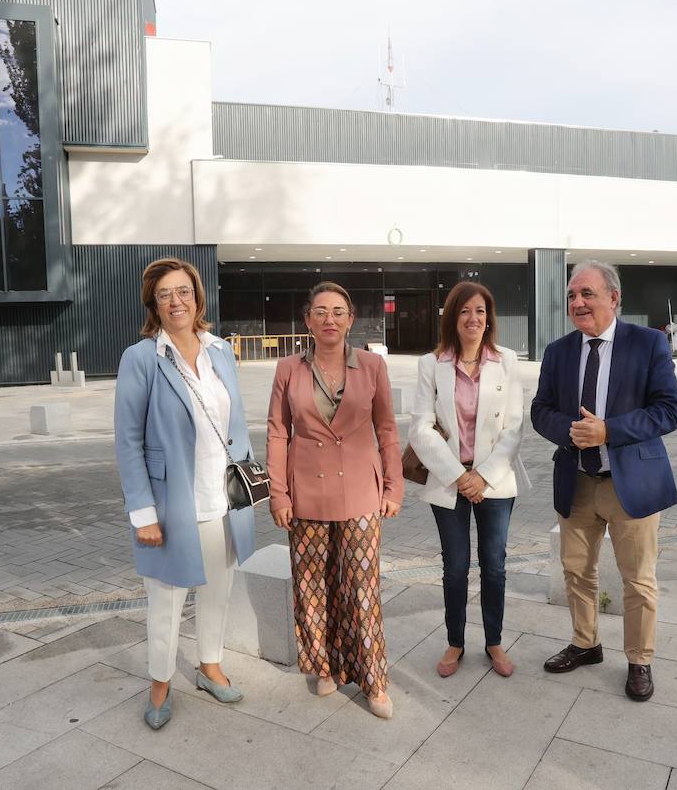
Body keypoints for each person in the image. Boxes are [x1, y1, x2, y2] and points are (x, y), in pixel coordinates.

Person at [114, 257, 258, 731]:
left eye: (183, 292)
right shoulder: (142, 358)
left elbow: (233, 423)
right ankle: (159, 683)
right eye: (164, 295)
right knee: (165, 602)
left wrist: (251, 482)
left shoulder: (220, 351)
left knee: (219, 590)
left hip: (223, 499)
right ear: (153, 305)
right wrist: (143, 515)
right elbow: (129, 441)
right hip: (174, 505)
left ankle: (209, 665)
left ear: (197, 296)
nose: (176, 301)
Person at [530, 259, 677, 702]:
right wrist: (569, 432)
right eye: (572, 296)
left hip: (630, 482)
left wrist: (609, 430)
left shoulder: (649, 344)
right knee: (576, 570)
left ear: (614, 298)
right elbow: (541, 410)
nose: (577, 303)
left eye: (587, 294)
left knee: (637, 579)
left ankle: (639, 660)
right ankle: (585, 643)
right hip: (576, 481)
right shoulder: (558, 351)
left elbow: (668, 410)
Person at [266, 282, 403, 719]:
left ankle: (373, 679)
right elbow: (277, 432)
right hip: (305, 493)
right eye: (321, 311)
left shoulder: (372, 366)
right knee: (312, 586)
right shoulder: (288, 368)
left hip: (362, 491)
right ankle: (323, 665)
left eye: (338, 311)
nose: (329, 319)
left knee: (362, 588)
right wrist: (278, 493)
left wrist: (393, 487)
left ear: (351, 320)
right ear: (307, 319)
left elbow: (386, 429)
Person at [409, 282, 526, 679]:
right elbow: (421, 428)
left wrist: (483, 476)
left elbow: (514, 428)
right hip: (450, 480)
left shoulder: (507, 361)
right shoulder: (432, 364)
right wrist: (460, 476)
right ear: (452, 318)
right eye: (464, 312)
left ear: (488, 317)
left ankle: (494, 640)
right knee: (455, 567)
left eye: (480, 311)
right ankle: (455, 641)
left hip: (494, 482)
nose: (473, 319)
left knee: (494, 566)